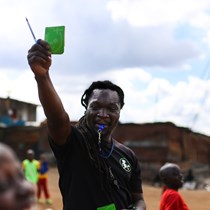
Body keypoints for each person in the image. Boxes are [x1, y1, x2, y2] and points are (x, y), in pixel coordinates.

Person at [27, 39, 146, 210]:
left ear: (119, 112)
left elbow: (139, 199)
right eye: (95, 107)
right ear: (86, 110)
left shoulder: (128, 155)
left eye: (111, 108)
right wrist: (42, 76)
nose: (103, 114)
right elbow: (57, 118)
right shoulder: (73, 143)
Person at [0, 143, 35, 210]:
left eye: (21, 176)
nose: (28, 188)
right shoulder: (25, 163)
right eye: (3, 185)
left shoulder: (36, 163)